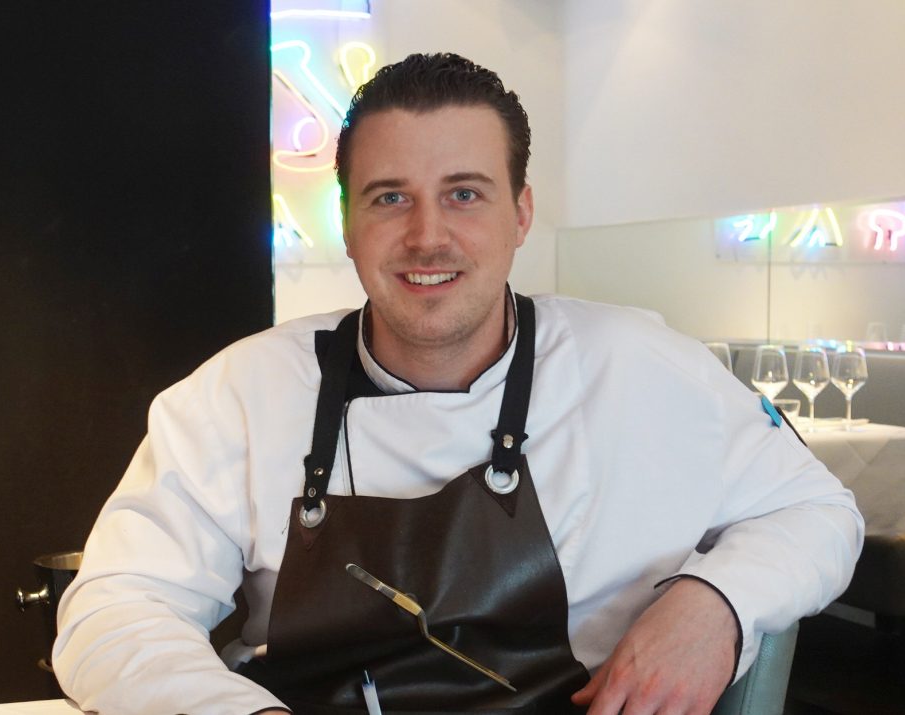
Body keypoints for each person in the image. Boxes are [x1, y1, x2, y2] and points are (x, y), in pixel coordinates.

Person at [53, 53, 863, 714]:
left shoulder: (642, 368)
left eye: (464, 194)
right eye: (390, 198)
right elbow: (114, 609)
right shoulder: (241, 392)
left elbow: (817, 509)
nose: (427, 236)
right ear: (347, 223)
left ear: (521, 213)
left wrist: (715, 600)